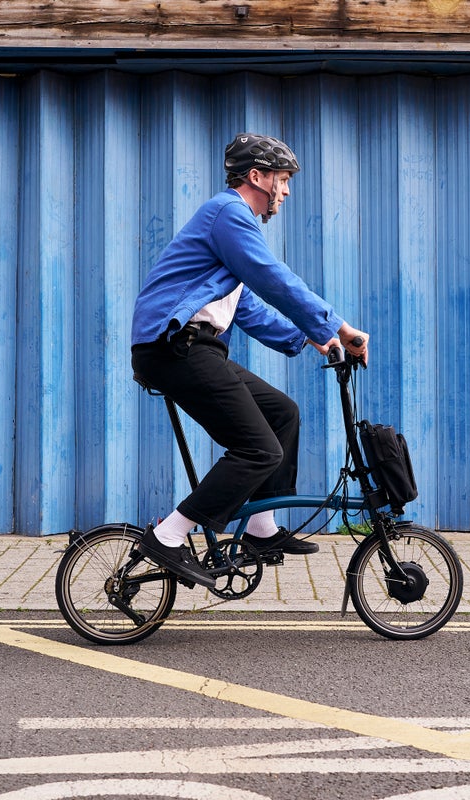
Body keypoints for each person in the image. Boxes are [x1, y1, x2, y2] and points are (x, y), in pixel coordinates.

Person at [130, 132, 369, 588]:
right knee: (258, 449)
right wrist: (337, 326)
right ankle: (170, 534)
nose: (286, 190)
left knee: (283, 413)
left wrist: (309, 339)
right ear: (256, 177)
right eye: (282, 179)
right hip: (172, 347)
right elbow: (272, 278)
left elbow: (248, 308)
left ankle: (261, 530)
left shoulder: (232, 225)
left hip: (194, 346)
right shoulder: (229, 214)